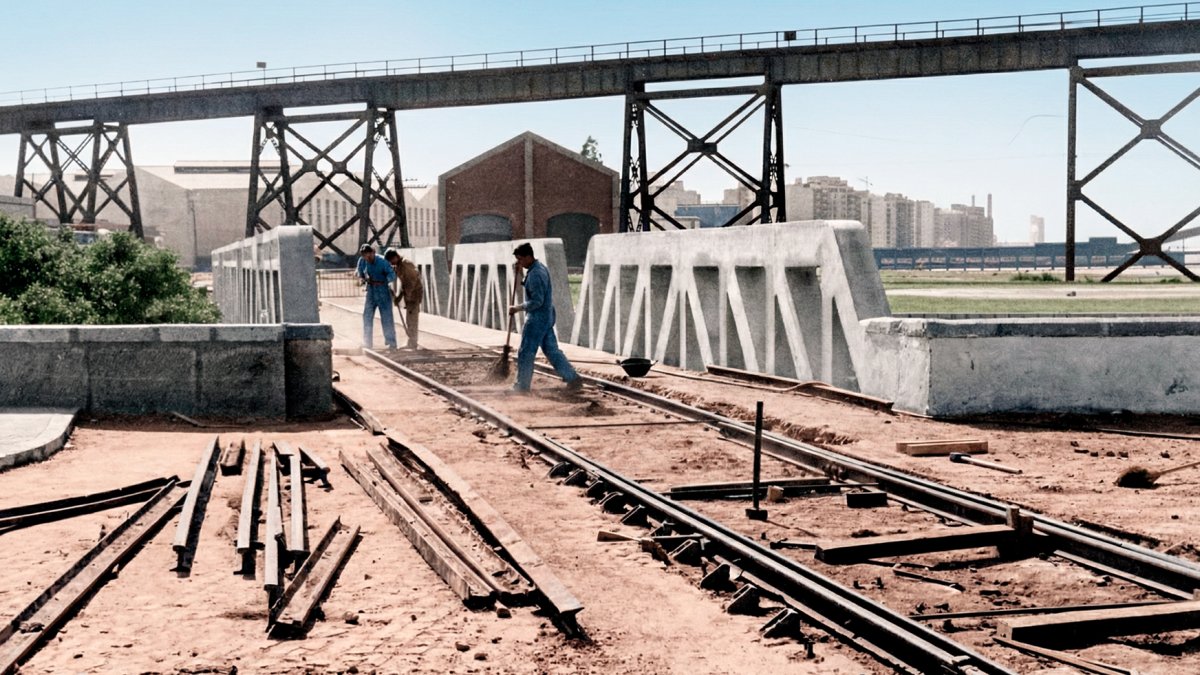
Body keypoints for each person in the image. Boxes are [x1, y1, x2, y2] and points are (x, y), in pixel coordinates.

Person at [508, 242, 582, 393]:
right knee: (552, 350)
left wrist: (517, 308)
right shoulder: (540, 268)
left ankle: (521, 386)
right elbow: (532, 288)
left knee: (526, 352)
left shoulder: (535, 274)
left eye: (521, 259)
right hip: (547, 317)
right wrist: (520, 273)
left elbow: (537, 301)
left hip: (536, 319)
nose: (519, 262)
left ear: (529, 256)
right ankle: (572, 378)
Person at [355, 243, 397, 349]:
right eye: (364, 256)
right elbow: (359, 272)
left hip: (383, 291)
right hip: (371, 291)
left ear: (373, 252)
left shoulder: (383, 262)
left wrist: (384, 281)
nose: (367, 258)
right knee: (367, 316)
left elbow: (392, 275)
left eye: (369, 256)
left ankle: (391, 343)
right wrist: (362, 278)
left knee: (386, 317)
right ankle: (367, 343)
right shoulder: (362, 261)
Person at [384, 249, 423, 349]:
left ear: (395, 257)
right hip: (409, 296)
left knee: (412, 320)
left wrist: (408, 294)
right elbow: (404, 283)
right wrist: (399, 297)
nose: (391, 263)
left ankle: (412, 343)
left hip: (414, 296)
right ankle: (411, 341)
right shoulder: (399, 266)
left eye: (391, 260)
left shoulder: (406, 264)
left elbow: (413, 280)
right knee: (409, 320)